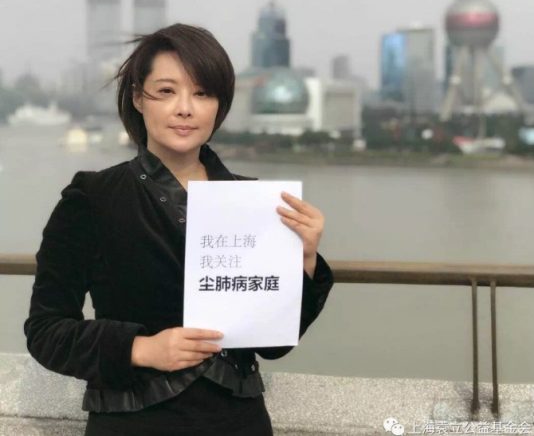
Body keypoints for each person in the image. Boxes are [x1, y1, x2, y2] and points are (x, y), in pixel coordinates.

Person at [24, 23, 334, 436]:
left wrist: (305, 259)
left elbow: (274, 345)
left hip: (238, 422)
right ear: (138, 97)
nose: (185, 108)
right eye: (167, 91)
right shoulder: (92, 198)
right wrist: (140, 348)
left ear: (219, 105)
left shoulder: (255, 202)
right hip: (133, 423)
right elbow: (45, 331)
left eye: (202, 93)